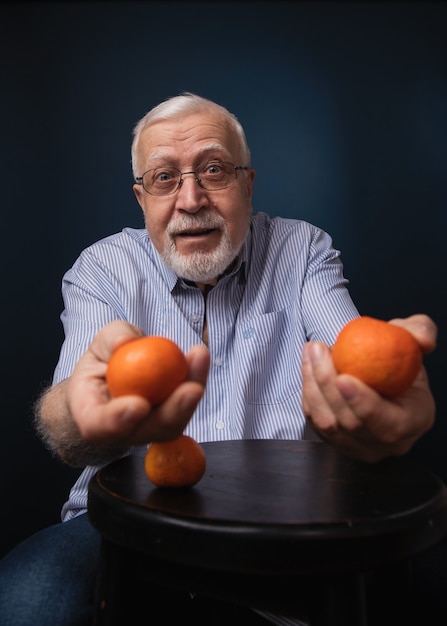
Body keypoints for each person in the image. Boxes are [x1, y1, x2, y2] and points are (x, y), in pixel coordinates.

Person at [0, 92, 439, 626]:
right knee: (29, 600)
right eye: (165, 177)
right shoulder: (104, 268)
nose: (191, 199)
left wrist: (381, 394)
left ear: (247, 184)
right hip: (125, 527)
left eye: (213, 170)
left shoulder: (301, 250)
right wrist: (80, 416)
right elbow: (68, 411)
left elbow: (353, 352)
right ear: (141, 199)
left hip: (284, 533)